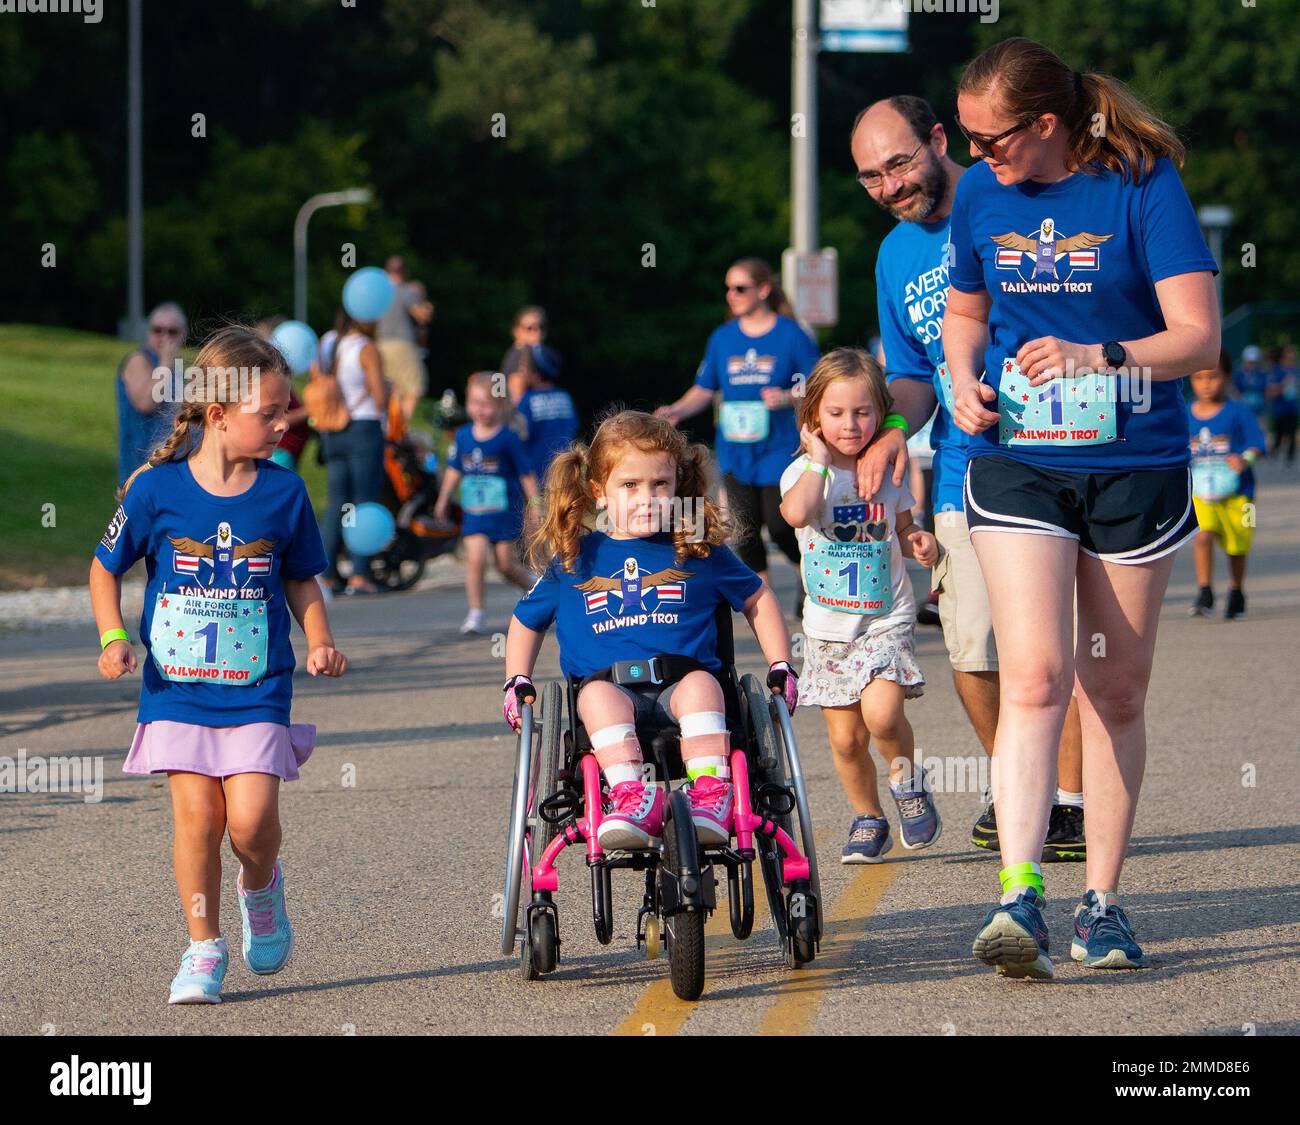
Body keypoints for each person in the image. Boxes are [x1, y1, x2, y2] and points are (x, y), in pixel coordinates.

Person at [945, 37, 1219, 978]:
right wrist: (960, 376)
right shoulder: (981, 194)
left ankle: (1103, 906)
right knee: (1033, 677)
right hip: (1019, 459)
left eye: (991, 140)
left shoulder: (1143, 184)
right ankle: (1019, 894)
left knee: (1114, 689)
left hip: (1134, 461)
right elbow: (967, 310)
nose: (977, 159)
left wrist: (1096, 357)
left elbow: (1196, 336)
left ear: (1046, 125)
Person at [850, 95, 1086, 862]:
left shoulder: (1006, 195)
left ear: (939, 139)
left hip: (1062, 445)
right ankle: (1026, 784)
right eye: (869, 177)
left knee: (1051, 646)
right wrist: (891, 429)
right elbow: (912, 375)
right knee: (974, 649)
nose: (888, 186)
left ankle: (1072, 803)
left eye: (899, 163)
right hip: (963, 465)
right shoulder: (892, 256)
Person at [89, 326, 348, 1004]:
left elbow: (302, 580)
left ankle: (260, 888)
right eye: (271, 412)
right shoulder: (156, 492)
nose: (285, 423)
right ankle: (204, 945)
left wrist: (318, 638)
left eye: (286, 408)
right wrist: (113, 634)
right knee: (198, 817)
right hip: (177, 689)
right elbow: (103, 568)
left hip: (258, 688)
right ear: (218, 415)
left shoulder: (284, 494)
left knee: (251, 822)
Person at [503, 410, 797, 848]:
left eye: (660, 484)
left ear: (678, 486)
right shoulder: (575, 556)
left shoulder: (697, 548)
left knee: (702, 686)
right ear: (600, 493)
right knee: (596, 697)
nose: (647, 498)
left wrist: (781, 664)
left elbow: (758, 598)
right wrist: (517, 678)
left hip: (683, 682)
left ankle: (709, 796)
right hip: (610, 688)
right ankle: (630, 796)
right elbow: (527, 620)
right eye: (630, 485)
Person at [779, 350, 942, 862]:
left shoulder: (887, 468)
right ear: (813, 420)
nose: (851, 425)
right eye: (836, 414)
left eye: (863, 412)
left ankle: (907, 783)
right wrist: (820, 464)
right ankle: (868, 817)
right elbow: (796, 514)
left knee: (883, 713)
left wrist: (917, 539)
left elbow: (903, 524)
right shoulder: (804, 472)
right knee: (847, 740)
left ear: (881, 412)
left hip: (884, 618)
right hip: (828, 629)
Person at [657, 258, 819, 610]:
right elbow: (704, 388)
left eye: (740, 288)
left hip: (780, 450)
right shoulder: (722, 337)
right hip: (735, 450)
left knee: (779, 527)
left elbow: (816, 385)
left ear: (763, 290)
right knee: (746, 531)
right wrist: (676, 411)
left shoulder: (791, 334)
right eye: (728, 288)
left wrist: (788, 397)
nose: (732, 295)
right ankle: (764, 603)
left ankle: (809, 577)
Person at [435, 371, 540, 635]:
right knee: (475, 559)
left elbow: (526, 474)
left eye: (486, 404)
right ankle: (476, 612)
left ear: (500, 406)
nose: (479, 410)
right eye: (474, 403)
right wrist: (444, 498)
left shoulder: (508, 438)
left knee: (505, 565)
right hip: (474, 513)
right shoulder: (462, 436)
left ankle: (536, 588)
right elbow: (454, 469)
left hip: (503, 513)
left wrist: (536, 504)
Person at [1188, 351, 1267, 620]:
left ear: (1227, 378)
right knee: (1202, 535)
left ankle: (1236, 591)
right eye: (1199, 377)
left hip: (1240, 495)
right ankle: (1204, 591)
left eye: (1213, 377)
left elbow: (1259, 444)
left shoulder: (1238, 411)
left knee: (1237, 547)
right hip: (1201, 492)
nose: (1206, 383)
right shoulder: (1185, 413)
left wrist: (1244, 459)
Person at [318, 314, 390, 596]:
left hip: (333, 431)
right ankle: (359, 574)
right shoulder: (366, 348)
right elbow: (380, 397)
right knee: (363, 503)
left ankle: (327, 575)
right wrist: (387, 386)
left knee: (337, 503)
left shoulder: (327, 343)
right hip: (363, 427)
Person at [117, 302, 187, 486]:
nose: (164, 337)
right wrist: (165, 363)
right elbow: (146, 403)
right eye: (158, 330)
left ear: (183, 334)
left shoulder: (177, 366)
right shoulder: (139, 360)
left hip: (171, 465)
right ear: (149, 331)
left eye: (172, 332)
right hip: (140, 467)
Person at [376, 255, 434, 422]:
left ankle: (391, 425)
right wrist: (423, 299)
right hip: (402, 344)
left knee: (393, 388)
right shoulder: (407, 290)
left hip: (379, 343)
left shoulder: (379, 291)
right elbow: (422, 315)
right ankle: (401, 427)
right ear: (405, 271)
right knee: (415, 388)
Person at [513, 343, 579, 481]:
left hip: (536, 476)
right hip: (564, 473)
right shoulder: (565, 397)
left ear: (536, 375)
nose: (521, 370)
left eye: (524, 367)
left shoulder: (527, 400)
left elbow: (518, 435)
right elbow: (573, 428)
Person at [502, 306, 563, 406]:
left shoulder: (542, 352)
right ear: (517, 331)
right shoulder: (519, 354)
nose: (537, 331)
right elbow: (516, 399)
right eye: (530, 328)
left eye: (541, 327)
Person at [1265, 344, 1298, 465]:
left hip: (1292, 408)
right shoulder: (1276, 371)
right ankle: (1274, 454)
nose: (1292, 356)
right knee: (1280, 433)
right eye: (1289, 353)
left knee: (1292, 432)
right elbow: (1270, 392)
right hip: (1280, 409)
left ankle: (1290, 458)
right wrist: (1283, 384)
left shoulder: (1296, 370)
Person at [1233, 345, 1269, 426]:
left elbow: (1265, 391)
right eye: (1249, 362)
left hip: (1259, 410)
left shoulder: (1261, 374)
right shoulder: (1239, 374)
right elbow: (1235, 390)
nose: (1252, 365)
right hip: (1243, 409)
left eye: (1254, 363)